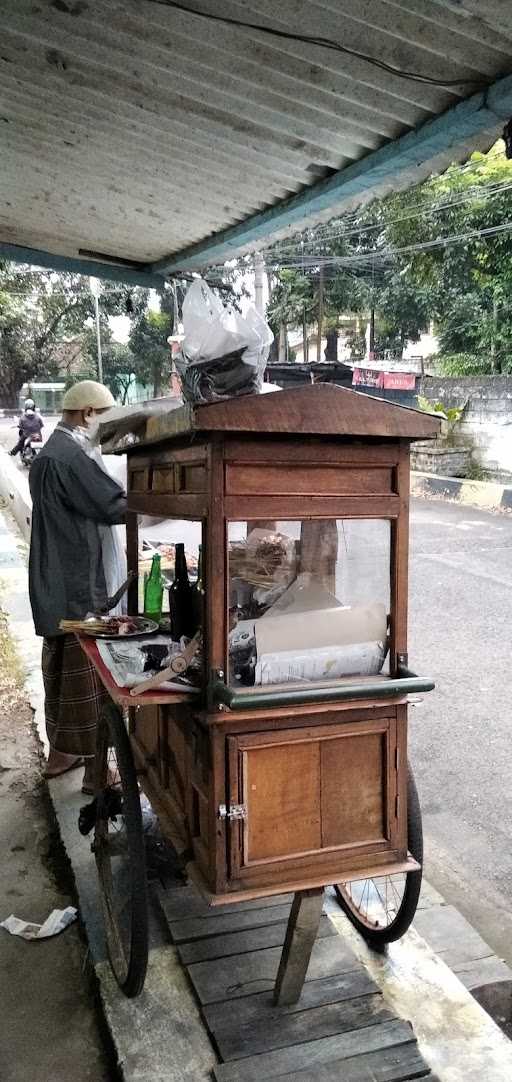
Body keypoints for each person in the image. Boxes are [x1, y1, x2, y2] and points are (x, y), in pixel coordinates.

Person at [28, 380, 127, 794]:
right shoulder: (71, 456)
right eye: (103, 418)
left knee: (59, 671)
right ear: (87, 414)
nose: (103, 426)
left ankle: (61, 755)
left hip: (55, 579)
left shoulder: (48, 453)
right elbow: (112, 504)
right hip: (79, 583)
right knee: (89, 677)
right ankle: (95, 774)